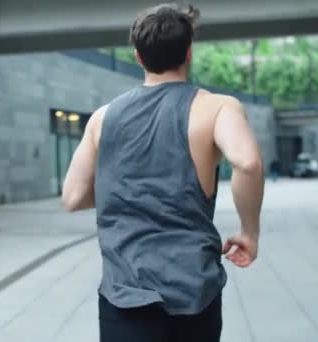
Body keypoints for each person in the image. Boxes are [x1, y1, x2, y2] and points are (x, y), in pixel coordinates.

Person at [62, 3, 264, 341]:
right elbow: (248, 163)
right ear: (189, 52)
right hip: (194, 293)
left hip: (124, 295)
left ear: (138, 58)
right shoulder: (218, 107)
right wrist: (250, 232)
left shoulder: (102, 118)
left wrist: (132, 189)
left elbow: (73, 197)